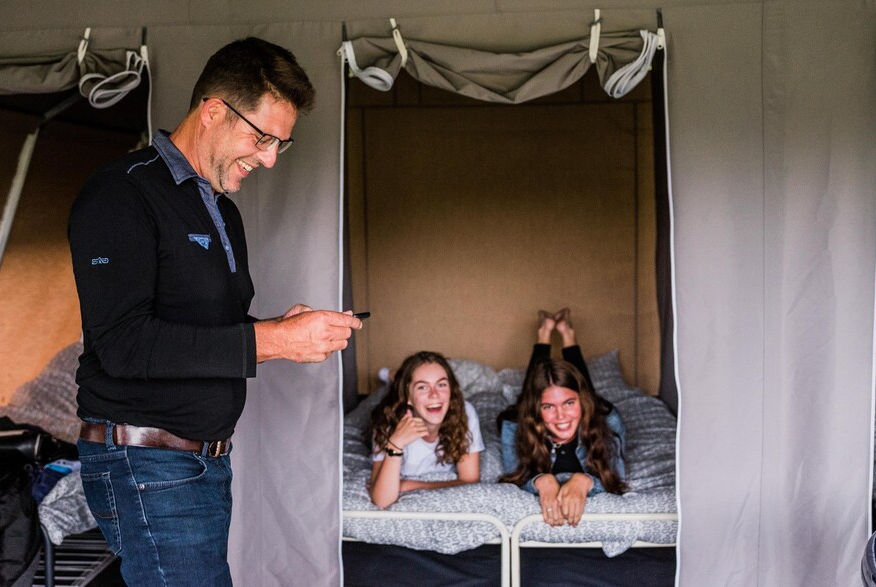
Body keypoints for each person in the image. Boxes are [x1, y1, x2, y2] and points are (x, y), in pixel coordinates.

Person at [67, 37, 363, 586]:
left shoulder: (221, 210)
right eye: (262, 137)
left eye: (280, 144)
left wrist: (281, 331)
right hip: (148, 461)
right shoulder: (120, 195)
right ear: (212, 112)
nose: (269, 158)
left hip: (200, 463)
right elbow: (124, 345)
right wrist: (275, 341)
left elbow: (206, 331)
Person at [499, 308, 627, 527]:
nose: (561, 416)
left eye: (569, 403)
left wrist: (584, 481)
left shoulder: (609, 420)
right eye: (548, 406)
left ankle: (567, 333)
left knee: (582, 388)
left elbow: (617, 480)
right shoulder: (514, 426)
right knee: (534, 386)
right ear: (537, 409)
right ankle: (544, 333)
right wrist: (542, 482)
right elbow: (514, 480)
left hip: (591, 408)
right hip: (528, 411)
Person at [367, 351, 484, 508]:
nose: (434, 394)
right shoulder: (387, 422)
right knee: (389, 391)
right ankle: (391, 376)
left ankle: (395, 376)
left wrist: (409, 485)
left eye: (441, 385)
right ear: (408, 396)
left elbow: (470, 480)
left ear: (451, 391)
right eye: (422, 387)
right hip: (397, 403)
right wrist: (395, 444)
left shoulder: (465, 412)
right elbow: (382, 500)